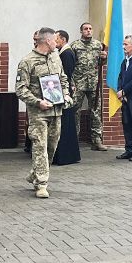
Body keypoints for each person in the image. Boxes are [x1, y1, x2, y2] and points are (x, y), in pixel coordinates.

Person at [17, 27, 71, 198]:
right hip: (38, 113)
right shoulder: (27, 61)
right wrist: (37, 102)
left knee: (51, 147)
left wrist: (66, 94)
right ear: (47, 41)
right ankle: (41, 184)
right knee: (40, 146)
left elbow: (62, 78)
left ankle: (35, 173)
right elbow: (20, 89)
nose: (57, 42)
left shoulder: (56, 57)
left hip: (57, 110)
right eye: (55, 40)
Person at [68, 22, 109, 151]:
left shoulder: (98, 45)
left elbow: (101, 63)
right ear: (81, 31)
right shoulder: (74, 45)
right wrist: (71, 83)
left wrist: (104, 58)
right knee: (75, 111)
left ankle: (96, 140)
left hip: (94, 83)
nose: (88, 31)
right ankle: (73, 140)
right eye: (86, 29)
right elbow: (70, 64)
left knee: (96, 111)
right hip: (78, 83)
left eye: (90, 29)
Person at [53, 30, 82, 166]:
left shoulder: (67, 53)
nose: (55, 41)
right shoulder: (62, 52)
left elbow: (67, 73)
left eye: (56, 38)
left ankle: (67, 155)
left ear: (63, 39)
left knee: (66, 124)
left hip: (65, 93)